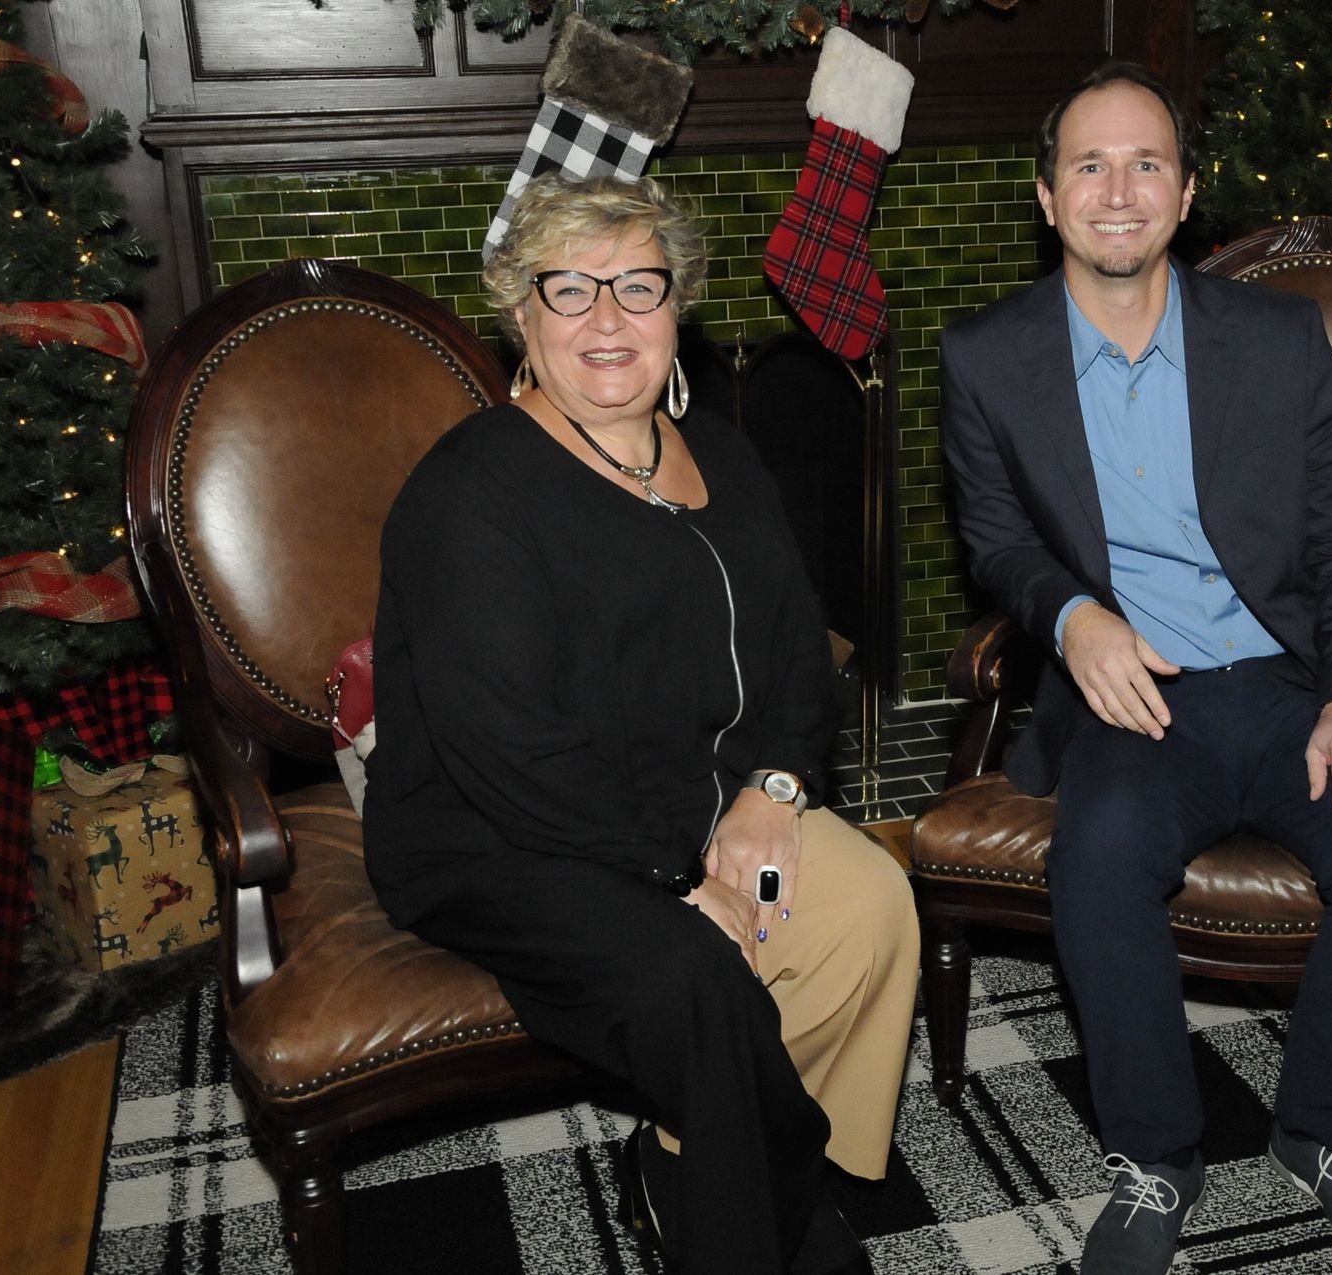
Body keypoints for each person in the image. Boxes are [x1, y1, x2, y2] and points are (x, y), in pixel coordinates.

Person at [938, 63, 1332, 1275]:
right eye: (1089, 165)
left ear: (1184, 197)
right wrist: (1073, 617)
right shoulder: (987, 358)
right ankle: (1156, 1157)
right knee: (1103, 847)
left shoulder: (1275, 338)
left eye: (1147, 165)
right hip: (1135, 699)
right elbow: (997, 539)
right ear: (1047, 193)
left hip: (1289, 685)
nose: (1118, 191)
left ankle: (1323, 1134)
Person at [363, 172, 919, 1275]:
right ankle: (763, 1214)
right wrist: (679, 873)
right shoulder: (471, 493)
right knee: (698, 979)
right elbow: (505, 751)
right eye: (569, 289)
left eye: (639, 287)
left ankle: (684, 1158)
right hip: (502, 841)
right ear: (521, 315)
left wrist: (774, 792)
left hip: (704, 810)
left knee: (865, 907)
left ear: (679, 309)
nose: (608, 319)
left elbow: (801, 648)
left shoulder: (726, 451)